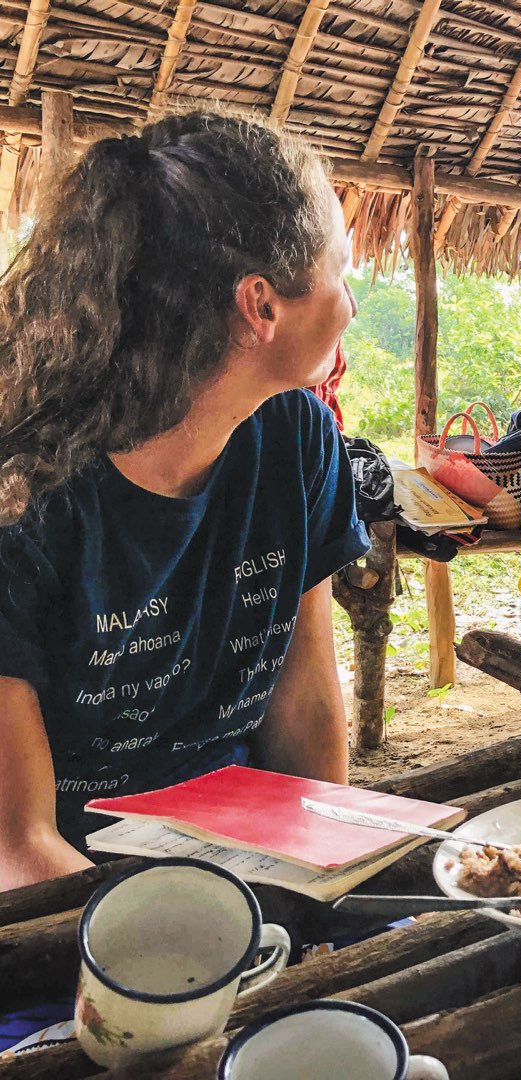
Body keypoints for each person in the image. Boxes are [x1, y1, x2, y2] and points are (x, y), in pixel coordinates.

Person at [0, 111, 367, 892]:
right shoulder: (21, 493)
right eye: (340, 271)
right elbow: (16, 841)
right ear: (260, 307)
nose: (351, 303)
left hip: (245, 862)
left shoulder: (297, 439)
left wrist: (323, 888)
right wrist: (206, 945)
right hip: (62, 903)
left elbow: (301, 702)